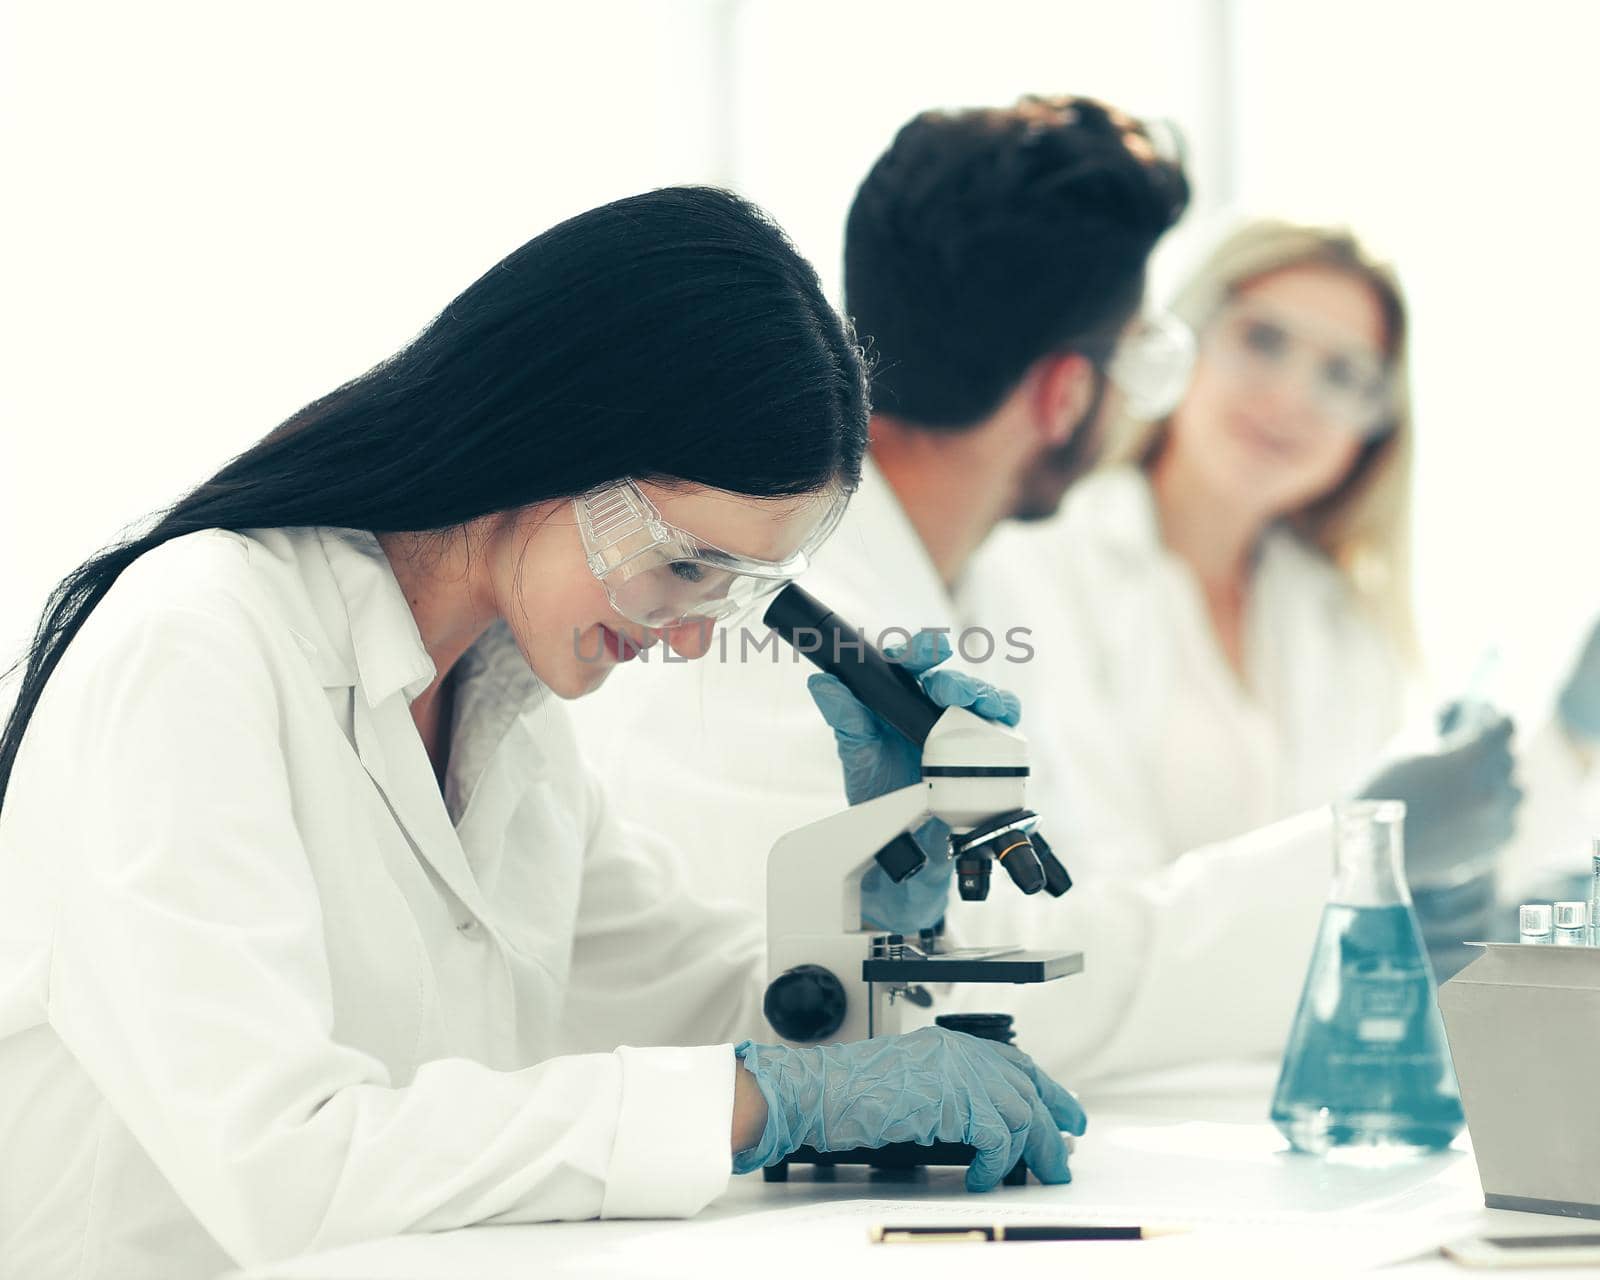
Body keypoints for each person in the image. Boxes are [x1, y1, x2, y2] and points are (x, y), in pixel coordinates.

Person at [0, 187, 1084, 1280]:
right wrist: (781, 1098)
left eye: (729, 592)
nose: (692, 639)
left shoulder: (506, 716)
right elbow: (286, 1168)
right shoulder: (198, 644)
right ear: (559, 439)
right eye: (685, 566)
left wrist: (876, 871)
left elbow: (723, 1028)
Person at [569, 100, 1521, 1084]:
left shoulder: (976, 583)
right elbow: (981, 982)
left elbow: (1077, 894)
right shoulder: (773, 621)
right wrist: (1348, 864)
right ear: (1065, 393)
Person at [990, 217, 1599, 969]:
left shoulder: (1341, 618)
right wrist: (1356, 858)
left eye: (1344, 376)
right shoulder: (1040, 566)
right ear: (1180, 344)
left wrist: (1573, 738)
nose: (1292, 396)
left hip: (1304, 1064)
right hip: (1124, 1075)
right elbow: (1089, 905)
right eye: (1264, 340)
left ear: (1373, 432)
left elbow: (1445, 891)